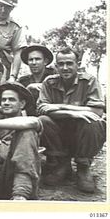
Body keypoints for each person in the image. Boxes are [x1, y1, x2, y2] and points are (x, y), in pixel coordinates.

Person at [37, 47, 106, 193]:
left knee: (92, 122)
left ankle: (83, 168)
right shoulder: (49, 82)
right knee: (43, 120)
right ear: (56, 66)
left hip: (81, 134)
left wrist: (59, 107)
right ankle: (63, 165)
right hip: (60, 132)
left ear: (78, 64)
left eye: (69, 63)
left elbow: (97, 111)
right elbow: (42, 109)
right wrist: (74, 113)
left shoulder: (89, 81)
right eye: (60, 64)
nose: (65, 68)